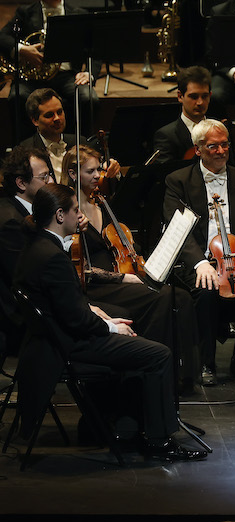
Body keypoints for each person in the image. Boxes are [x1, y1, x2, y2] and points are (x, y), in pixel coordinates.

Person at [13, 183, 206, 461]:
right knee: (158, 354)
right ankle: (159, 441)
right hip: (69, 345)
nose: (79, 215)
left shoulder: (36, 246)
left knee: (135, 337)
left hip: (54, 339)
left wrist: (96, 312)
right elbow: (76, 321)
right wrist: (113, 327)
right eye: (75, 210)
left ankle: (126, 426)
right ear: (59, 215)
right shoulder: (53, 257)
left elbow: (65, 306)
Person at [63, 144, 201, 392]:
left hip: (120, 278)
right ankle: (152, 374)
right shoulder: (69, 212)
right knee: (161, 297)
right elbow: (79, 269)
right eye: (90, 171)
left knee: (181, 297)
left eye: (99, 169)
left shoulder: (100, 202)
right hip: (96, 285)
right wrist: (123, 279)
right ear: (73, 174)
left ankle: (183, 375)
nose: (98, 176)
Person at [163, 119, 235, 386]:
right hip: (197, 262)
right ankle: (206, 363)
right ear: (198, 149)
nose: (222, 151)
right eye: (213, 146)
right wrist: (200, 263)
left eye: (225, 144)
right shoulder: (178, 181)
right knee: (207, 288)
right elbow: (178, 229)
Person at [0, 0, 101, 141]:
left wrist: (89, 73)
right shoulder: (25, 12)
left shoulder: (78, 13)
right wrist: (22, 50)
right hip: (33, 78)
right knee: (17, 97)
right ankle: (26, 148)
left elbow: (95, 47)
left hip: (67, 75)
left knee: (88, 98)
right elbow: (3, 36)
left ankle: (82, 145)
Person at [0, 146, 55, 356]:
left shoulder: (26, 211)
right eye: (44, 177)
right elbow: (31, 277)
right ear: (21, 183)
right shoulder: (11, 222)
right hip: (25, 319)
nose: (51, 181)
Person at [18, 89, 120, 185]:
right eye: (49, 115)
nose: (57, 118)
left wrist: (112, 169)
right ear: (35, 120)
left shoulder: (80, 142)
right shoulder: (25, 151)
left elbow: (101, 173)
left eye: (59, 112)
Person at [153, 66, 213, 164]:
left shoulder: (220, 129)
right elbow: (165, 172)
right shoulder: (166, 136)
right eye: (194, 97)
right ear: (180, 96)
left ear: (210, 96)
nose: (200, 102)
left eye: (204, 96)